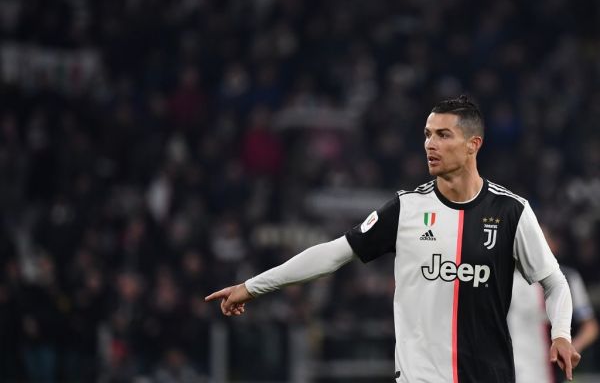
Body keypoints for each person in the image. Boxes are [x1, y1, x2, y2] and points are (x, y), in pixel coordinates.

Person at [205, 95, 581, 382]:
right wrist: (253, 287)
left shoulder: (512, 211)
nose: (430, 144)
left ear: (473, 144)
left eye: (443, 135)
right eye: (427, 135)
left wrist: (562, 334)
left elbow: (555, 283)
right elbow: (333, 254)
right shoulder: (405, 210)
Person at [508, 226, 598, 383]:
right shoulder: (505, 279)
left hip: (549, 370)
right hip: (511, 367)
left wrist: (574, 344)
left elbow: (590, 326)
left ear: (552, 245)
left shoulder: (568, 279)